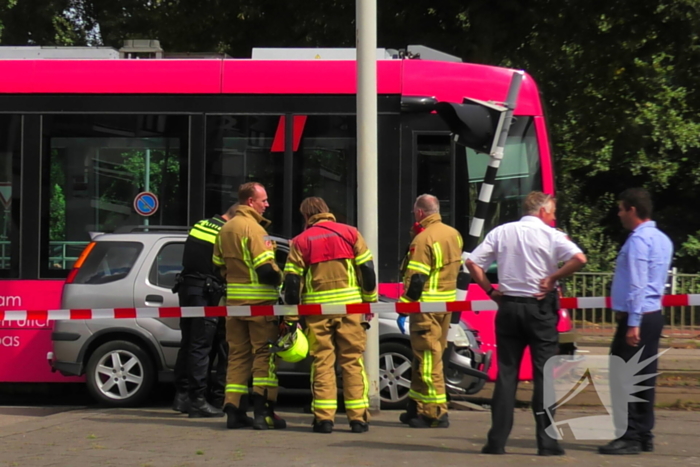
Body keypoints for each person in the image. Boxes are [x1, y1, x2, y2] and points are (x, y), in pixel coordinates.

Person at [465, 191, 587, 456]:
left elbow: (472, 263)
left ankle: (496, 441)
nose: (554, 217)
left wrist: (491, 291)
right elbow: (579, 259)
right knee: (544, 375)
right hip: (540, 309)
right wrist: (553, 277)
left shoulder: (502, 232)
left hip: (508, 306)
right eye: (552, 212)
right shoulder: (551, 235)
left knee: (507, 375)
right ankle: (547, 443)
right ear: (542, 211)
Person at [283, 197, 377, 434]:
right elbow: (367, 270)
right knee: (352, 362)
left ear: (306, 216)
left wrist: (292, 318)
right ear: (327, 211)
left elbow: (292, 284)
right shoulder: (351, 233)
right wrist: (369, 303)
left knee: (322, 362)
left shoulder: (301, 241)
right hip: (350, 309)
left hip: (317, 311)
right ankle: (358, 419)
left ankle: (324, 419)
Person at [598, 188, 672, 455]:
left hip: (638, 318)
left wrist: (633, 322)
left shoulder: (639, 240)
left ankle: (628, 436)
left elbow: (638, 283)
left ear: (632, 210)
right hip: (652, 315)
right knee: (643, 377)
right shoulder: (662, 239)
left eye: (620, 209)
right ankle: (643, 434)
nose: (618, 214)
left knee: (622, 376)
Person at [213, 182, 286, 430]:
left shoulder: (225, 229)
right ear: (250, 202)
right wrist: (281, 278)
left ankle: (233, 411)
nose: (267, 205)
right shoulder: (253, 229)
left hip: (234, 305)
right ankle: (261, 413)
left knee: (237, 357)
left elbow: (218, 266)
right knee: (263, 357)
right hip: (260, 305)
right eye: (263, 200)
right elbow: (266, 270)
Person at [397, 194, 463, 428]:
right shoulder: (454, 234)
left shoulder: (424, 239)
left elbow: (417, 280)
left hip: (426, 308)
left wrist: (403, 306)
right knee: (425, 358)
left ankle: (435, 413)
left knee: (427, 361)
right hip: (445, 306)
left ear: (420, 213)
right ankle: (415, 406)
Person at [172, 204, 237, 418]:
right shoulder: (225, 232)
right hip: (205, 293)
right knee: (201, 346)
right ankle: (198, 402)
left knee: (189, 343)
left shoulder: (201, 224)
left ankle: (182, 396)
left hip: (187, 289)